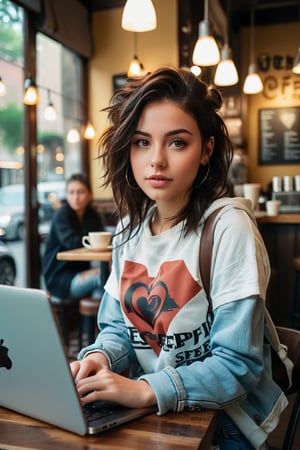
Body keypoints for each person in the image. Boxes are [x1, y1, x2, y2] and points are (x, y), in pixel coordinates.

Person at [70, 68, 288, 449]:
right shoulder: (129, 230)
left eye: (176, 143)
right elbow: (118, 330)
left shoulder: (227, 227)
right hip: (150, 413)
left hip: (226, 424)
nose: (156, 160)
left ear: (206, 149)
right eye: (141, 142)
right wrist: (100, 359)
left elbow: (239, 366)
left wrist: (145, 390)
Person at [43, 173, 104, 300]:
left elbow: (102, 239)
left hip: (81, 273)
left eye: (81, 192)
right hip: (60, 280)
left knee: (104, 282)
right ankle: (95, 318)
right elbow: (72, 243)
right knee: (103, 276)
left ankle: (92, 318)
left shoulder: (92, 215)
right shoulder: (61, 215)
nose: (76, 197)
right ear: (66, 194)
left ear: (89, 195)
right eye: (71, 192)